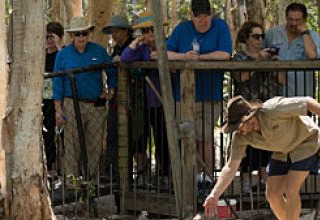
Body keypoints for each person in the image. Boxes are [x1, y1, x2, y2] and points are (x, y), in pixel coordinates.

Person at [203, 96, 320, 220]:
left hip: (306, 142)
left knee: (290, 189)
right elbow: (231, 167)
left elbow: (307, 102)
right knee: (272, 194)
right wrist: (214, 194)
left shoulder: (273, 109)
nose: (238, 130)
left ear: (250, 118)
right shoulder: (241, 137)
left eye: (239, 125)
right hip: (282, 151)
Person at [166, 0, 232, 182]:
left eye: (206, 16)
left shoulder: (220, 27)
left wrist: (200, 58)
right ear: (191, 16)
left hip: (211, 94)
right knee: (188, 137)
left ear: (211, 14)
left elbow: (225, 54)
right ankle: (191, 177)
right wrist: (184, 57)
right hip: (184, 96)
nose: (203, 20)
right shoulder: (182, 29)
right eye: (199, 16)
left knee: (206, 136)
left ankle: (209, 178)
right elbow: (165, 53)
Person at [53, 16, 116, 179]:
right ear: (72, 35)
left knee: (94, 144)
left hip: (96, 105)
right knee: (72, 143)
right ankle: (72, 181)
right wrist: (58, 109)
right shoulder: (63, 55)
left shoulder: (99, 51)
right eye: (77, 34)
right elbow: (57, 82)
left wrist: (111, 92)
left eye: (84, 34)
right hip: (71, 104)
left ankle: (91, 180)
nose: (81, 37)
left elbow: (111, 72)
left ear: (89, 34)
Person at [232, 21, 284, 195]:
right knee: (246, 143)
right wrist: (258, 60)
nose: (260, 40)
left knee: (265, 142)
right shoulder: (239, 57)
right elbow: (240, 77)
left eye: (262, 36)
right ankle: (246, 182)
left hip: (267, 106)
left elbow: (282, 80)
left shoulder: (268, 55)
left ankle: (264, 179)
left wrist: (276, 64)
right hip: (246, 106)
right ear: (246, 38)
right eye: (255, 36)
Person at [121, 10, 170, 184]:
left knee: (163, 138)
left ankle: (165, 175)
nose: (150, 33)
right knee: (140, 137)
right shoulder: (141, 47)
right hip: (143, 100)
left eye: (153, 29)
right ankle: (142, 172)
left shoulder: (168, 45)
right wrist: (137, 41)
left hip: (162, 100)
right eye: (146, 30)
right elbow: (125, 58)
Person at [264, 2, 320, 97]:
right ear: (286, 17)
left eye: (297, 20)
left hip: (303, 94)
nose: (293, 23)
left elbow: (312, 55)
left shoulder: (313, 36)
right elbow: (261, 52)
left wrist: (305, 33)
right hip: (277, 94)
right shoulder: (272, 33)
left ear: (305, 19)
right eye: (290, 19)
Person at [102, 15, 134, 178]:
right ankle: (112, 171)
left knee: (132, 135)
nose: (114, 35)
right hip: (118, 97)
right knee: (113, 131)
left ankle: (127, 173)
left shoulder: (133, 46)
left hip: (134, 97)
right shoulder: (116, 48)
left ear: (125, 31)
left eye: (117, 31)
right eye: (112, 31)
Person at [43, 22, 64, 174]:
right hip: (45, 100)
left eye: (52, 36)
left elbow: (66, 65)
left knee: (65, 135)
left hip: (62, 98)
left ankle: (67, 170)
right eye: (46, 36)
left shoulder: (63, 54)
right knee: (47, 135)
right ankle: (50, 169)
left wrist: (58, 46)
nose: (49, 40)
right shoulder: (41, 56)